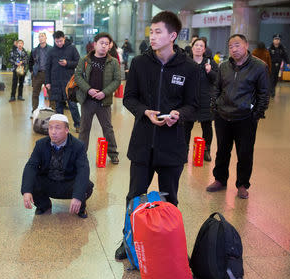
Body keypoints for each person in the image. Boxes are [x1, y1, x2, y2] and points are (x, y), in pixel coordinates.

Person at [115, 11, 199, 260]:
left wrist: (178, 115)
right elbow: (129, 98)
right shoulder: (140, 63)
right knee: (134, 195)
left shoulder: (190, 69)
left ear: (173, 36)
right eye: (151, 32)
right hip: (142, 143)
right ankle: (128, 241)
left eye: (158, 32)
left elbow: (194, 105)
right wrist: (144, 112)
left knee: (170, 198)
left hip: (172, 145)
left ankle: (168, 245)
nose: (152, 36)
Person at [206, 34, 270, 199]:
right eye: (231, 47)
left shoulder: (259, 67)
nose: (234, 49)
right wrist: (215, 106)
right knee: (222, 151)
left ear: (246, 45)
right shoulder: (223, 67)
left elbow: (264, 94)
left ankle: (242, 184)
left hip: (245, 119)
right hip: (223, 116)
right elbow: (216, 88)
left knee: (245, 153)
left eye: (237, 45)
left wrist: (255, 115)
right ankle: (220, 179)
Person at [21, 114, 94, 218]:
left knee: (86, 186)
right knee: (30, 182)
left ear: (67, 130)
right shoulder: (41, 144)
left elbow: (83, 170)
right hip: (48, 181)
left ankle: (80, 208)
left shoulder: (78, 146)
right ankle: (44, 205)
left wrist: (77, 196)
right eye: (50, 128)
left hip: (68, 183)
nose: (53, 132)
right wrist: (27, 191)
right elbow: (31, 166)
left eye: (57, 128)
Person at [75, 32, 121, 164]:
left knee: (108, 129)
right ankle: (80, 155)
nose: (104, 46)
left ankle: (113, 153)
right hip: (87, 101)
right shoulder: (85, 60)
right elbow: (78, 76)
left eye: (107, 44)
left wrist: (104, 92)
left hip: (104, 102)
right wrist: (88, 89)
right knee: (84, 128)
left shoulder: (113, 62)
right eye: (102, 43)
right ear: (95, 45)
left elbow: (117, 80)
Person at [184, 38, 218, 162]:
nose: (198, 47)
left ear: (204, 49)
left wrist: (210, 72)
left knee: (207, 126)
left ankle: (206, 151)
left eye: (201, 46)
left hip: (205, 100)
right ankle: (184, 151)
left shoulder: (210, 62)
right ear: (192, 48)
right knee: (186, 126)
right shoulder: (186, 62)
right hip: (189, 100)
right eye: (196, 45)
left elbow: (217, 80)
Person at [45, 31, 81, 133]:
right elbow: (48, 67)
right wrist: (48, 82)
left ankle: (78, 125)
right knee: (58, 106)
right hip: (55, 82)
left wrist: (67, 63)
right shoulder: (51, 51)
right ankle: (61, 127)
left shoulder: (72, 48)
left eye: (60, 41)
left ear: (64, 38)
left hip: (69, 82)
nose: (59, 43)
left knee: (73, 105)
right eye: (57, 41)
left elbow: (78, 62)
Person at [29, 32, 53, 114]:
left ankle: (52, 110)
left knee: (51, 93)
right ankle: (34, 110)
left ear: (46, 38)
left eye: (42, 36)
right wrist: (32, 72)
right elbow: (30, 62)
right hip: (37, 74)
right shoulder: (34, 50)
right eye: (39, 37)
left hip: (48, 74)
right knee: (35, 93)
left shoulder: (51, 49)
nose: (40, 38)